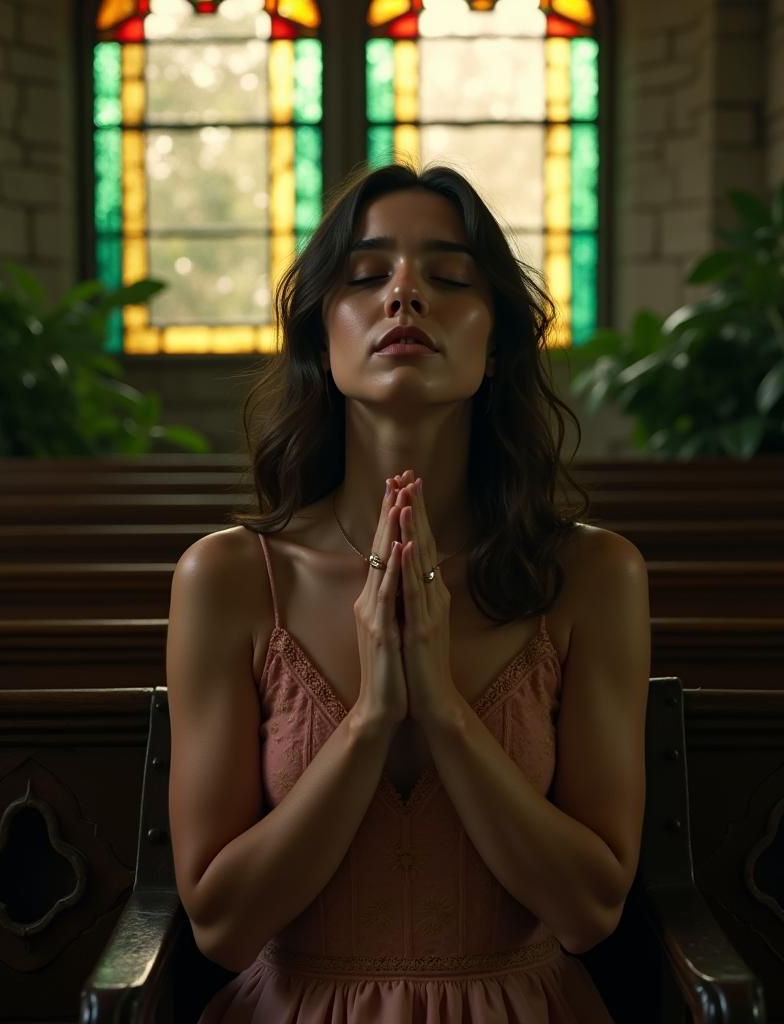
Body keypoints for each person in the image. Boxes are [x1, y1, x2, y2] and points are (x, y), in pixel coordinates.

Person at [166, 162, 651, 1023]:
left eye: (450, 278)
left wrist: (444, 708)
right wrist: (371, 717)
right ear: (321, 339)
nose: (404, 294)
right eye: (365, 276)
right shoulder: (230, 579)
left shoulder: (592, 575)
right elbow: (222, 927)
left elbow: (591, 911)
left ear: (496, 345)